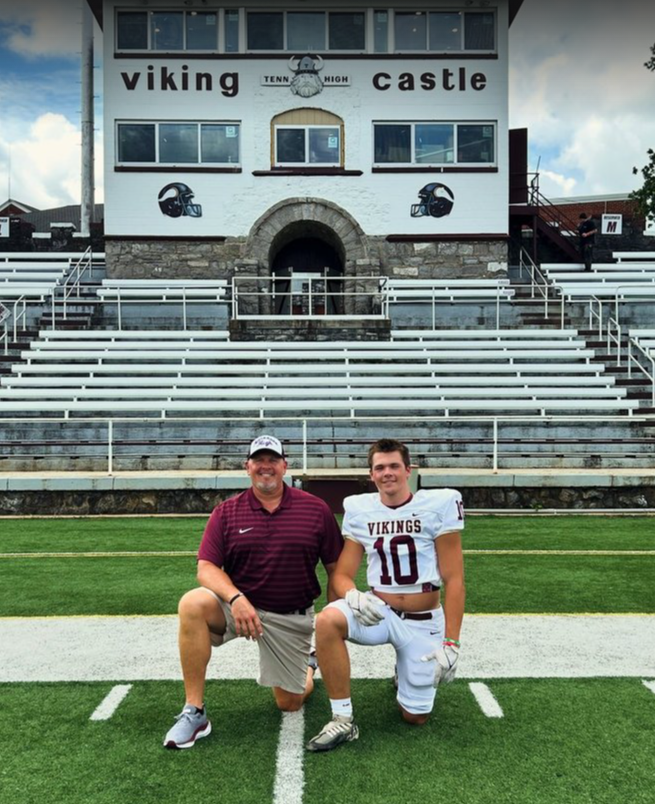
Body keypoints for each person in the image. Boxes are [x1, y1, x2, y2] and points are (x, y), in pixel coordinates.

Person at [164, 434, 343, 749]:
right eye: (259, 460)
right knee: (192, 603)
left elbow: (335, 569)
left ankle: (308, 667)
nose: (266, 466)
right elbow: (206, 567)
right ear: (247, 467)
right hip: (239, 608)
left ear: (285, 466)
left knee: (290, 702)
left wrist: (336, 615)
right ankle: (194, 711)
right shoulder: (227, 512)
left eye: (272, 460)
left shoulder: (315, 510)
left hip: (290, 616)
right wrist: (235, 598)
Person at [306, 438, 465, 753]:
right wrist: (352, 595)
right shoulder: (361, 509)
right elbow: (341, 574)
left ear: (408, 470)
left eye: (394, 466)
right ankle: (343, 719)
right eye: (380, 467)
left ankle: (403, 671)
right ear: (371, 474)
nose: (387, 473)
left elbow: (454, 579)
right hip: (379, 611)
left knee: (415, 717)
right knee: (327, 621)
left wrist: (452, 643)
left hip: (423, 619)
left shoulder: (439, 504)